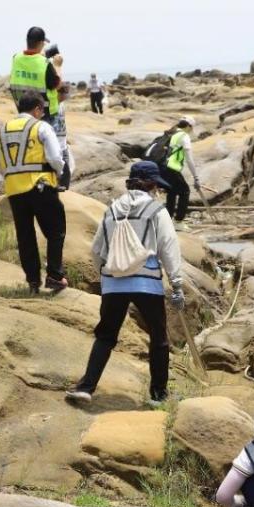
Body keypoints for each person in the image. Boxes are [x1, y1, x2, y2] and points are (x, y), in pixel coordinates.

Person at [65, 161, 183, 406]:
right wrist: (177, 283)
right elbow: (168, 247)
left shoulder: (112, 209)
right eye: (157, 187)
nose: (159, 191)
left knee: (105, 336)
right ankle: (158, 395)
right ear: (152, 185)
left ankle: (86, 387)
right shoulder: (156, 210)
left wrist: (105, 275)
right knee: (159, 339)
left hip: (113, 282)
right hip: (147, 283)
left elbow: (97, 249)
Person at [0, 94, 67, 293]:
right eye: (41, 110)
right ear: (37, 109)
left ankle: (33, 281)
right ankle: (54, 276)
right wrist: (59, 172)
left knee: (25, 236)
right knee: (56, 231)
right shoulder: (41, 127)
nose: (41, 114)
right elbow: (54, 157)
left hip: (14, 190)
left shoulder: (2, 130)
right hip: (41, 186)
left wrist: (13, 175)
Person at [9, 26, 62, 123]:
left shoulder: (15, 58)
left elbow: (29, 63)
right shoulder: (45, 63)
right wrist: (57, 66)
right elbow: (57, 86)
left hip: (23, 114)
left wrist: (38, 56)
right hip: (45, 116)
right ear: (41, 43)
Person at [160, 116, 202, 230]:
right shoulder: (184, 136)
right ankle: (178, 221)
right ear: (189, 126)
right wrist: (196, 177)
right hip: (171, 167)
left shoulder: (171, 133)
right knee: (185, 191)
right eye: (192, 127)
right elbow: (189, 159)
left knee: (172, 192)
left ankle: (168, 220)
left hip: (162, 167)